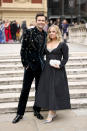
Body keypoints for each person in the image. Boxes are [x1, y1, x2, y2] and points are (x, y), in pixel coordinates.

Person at [12, 13, 47, 123]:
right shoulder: (29, 32)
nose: (41, 22)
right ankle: (19, 113)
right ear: (36, 21)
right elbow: (23, 50)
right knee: (25, 90)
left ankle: (37, 110)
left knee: (39, 90)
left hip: (41, 67)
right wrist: (25, 64)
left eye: (43, 20)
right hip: (30, 66)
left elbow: (44, 51)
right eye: (39, 20)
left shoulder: (45, 34)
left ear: (45, 22)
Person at [35, 25, 71, 123]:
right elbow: (40, 54)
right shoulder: (46, 43)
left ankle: (51, 113)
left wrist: (60, 65)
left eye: (53, 31)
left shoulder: (62, 44)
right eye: (50, 31)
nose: (51, 33)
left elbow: (66, 58)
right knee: (48, 89)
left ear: (57, 32)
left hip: (58, 70)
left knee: (54, 89)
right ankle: (53, 111)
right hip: (47, 70)